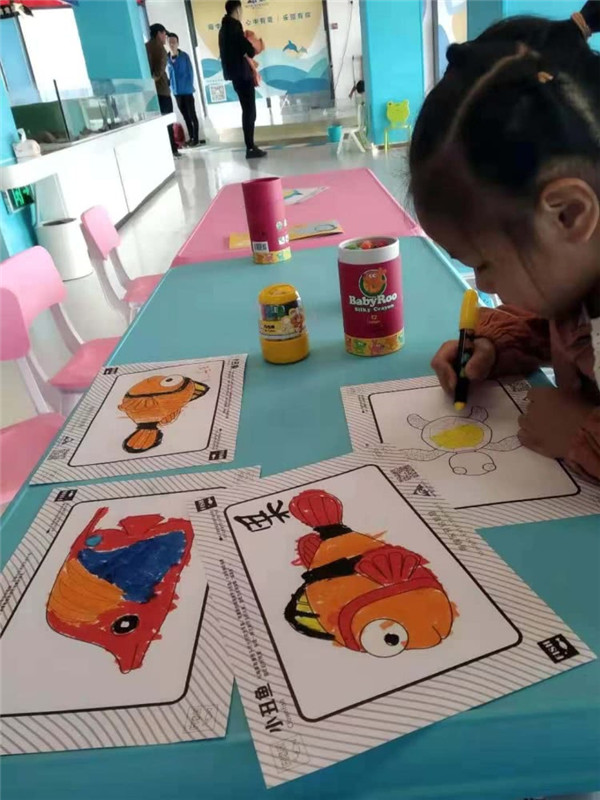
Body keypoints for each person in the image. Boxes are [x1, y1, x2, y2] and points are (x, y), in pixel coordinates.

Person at [409, 0, 600, 482]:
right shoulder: (578, 275)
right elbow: (558, 325)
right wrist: (494, 345)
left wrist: (582, 431)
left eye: (484, 263)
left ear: (569, 214)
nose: (481, 284)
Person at [219, 0, 266, 159]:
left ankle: (250, 146)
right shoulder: (234, 27)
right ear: (237, 10)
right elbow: (249, 51)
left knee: (247, 110)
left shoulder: (223, 29)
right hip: (242, 75)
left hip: (235, 75)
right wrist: (251, 46)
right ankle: (250, 147)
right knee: (250, 111)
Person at [146, 23, 180, 157]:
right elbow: (158, 73)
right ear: (159, 34)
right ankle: (172, 150)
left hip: (150, 93)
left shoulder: (145, 47)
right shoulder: (161, 50)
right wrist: (154, 81)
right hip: (161, 91)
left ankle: (163, 151)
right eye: (164, 34)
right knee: (167, 121)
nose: (165, 37)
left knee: (156, 123)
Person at [167, 32, 205, 147]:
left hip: (187, 91)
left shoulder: (184, 56)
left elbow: (190, 72)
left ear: (178, 43)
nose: (172, 44)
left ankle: (196, 138)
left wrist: (189, 86)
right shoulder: (167, 58)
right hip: (176, 92)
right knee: (185, 116)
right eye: (170, 42)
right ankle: (191, 137)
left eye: (174, 42)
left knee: (192, 115)